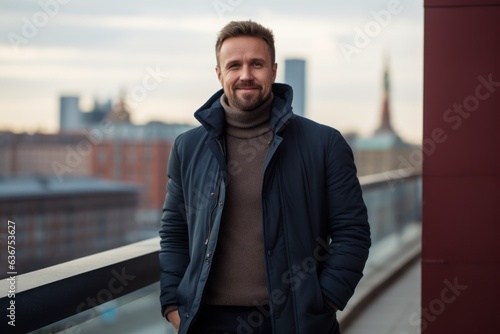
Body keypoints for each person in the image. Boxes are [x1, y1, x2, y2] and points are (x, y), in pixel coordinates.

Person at [159, 20, 371, 334]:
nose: (246, 75)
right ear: (219, 74)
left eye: (256, 64)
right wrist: (174, 306)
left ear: (272, 70)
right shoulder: (188, 147)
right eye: (234, 65)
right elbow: (175, 232)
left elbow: (353, 234)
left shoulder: (324, 144)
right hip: (206, 322)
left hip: (292, 321)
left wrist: (322, 302)